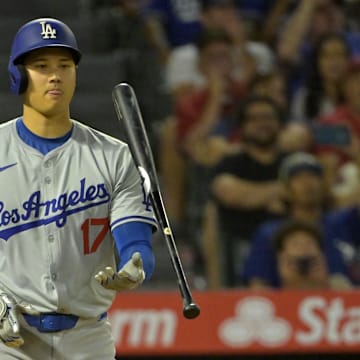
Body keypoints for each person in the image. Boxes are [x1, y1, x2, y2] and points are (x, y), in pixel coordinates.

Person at [0, 17, 157, 359]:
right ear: (18, 75)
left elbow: (135, 241)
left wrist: (135, 266)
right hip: (10, 339)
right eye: (41, 66)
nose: (55, 75)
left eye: (65, 65)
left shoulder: (113, 155)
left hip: (88, 336)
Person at [204, 96, 286, 287]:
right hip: (241, 244)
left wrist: (252, 195)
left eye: (268, 117)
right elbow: (229, 193)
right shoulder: (231, 162)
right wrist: (281, 190)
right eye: (254, 119)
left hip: (290, 244)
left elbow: (309, 190)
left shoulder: (290, 161)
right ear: (242, 126)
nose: (262, 124)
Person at [242, 152, 351, 289]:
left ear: (324, 186)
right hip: (285, 305)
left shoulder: (343, 222)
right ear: (285, 189)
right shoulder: (269, 233)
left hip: (344, 304)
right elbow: (258, 285)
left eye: (313, 176)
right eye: (298, 178)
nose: (307, 183)